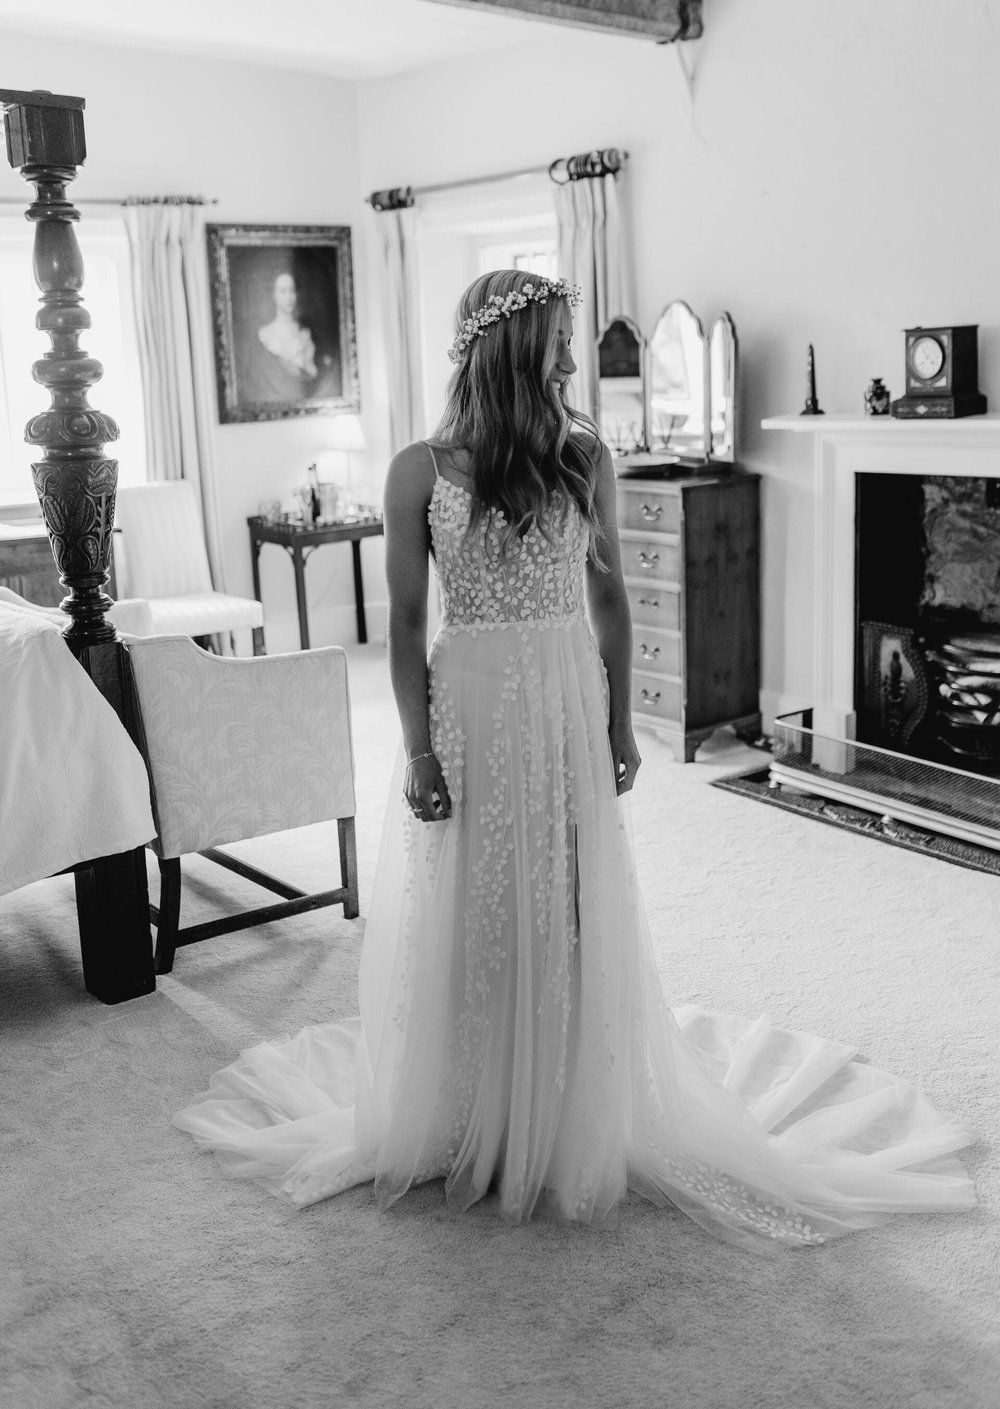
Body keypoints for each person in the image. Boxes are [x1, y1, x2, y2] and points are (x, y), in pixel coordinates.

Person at [175, 270, 975, 1251]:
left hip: (563, 696)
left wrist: (620, 725)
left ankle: (566, 1102)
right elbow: (407, 621)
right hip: (468, 696)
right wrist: (418, 746)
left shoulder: (585, 454)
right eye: (554, 340)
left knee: (568, 893)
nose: (568, 357)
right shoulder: (419, 468)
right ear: (508, 348)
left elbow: (608, 598)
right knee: (479, 894)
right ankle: (475, 1104)